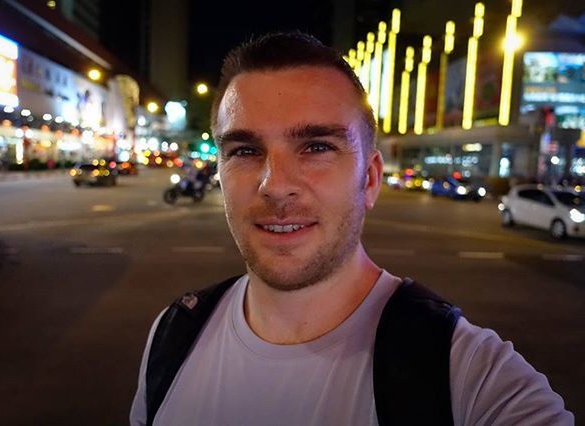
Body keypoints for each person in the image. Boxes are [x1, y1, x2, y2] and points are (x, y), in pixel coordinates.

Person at [130, 32, 573, 425]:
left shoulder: (467, 374)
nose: (276, 185)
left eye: (317, 146)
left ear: (370, 179)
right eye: (245, 150)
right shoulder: (173, 335)